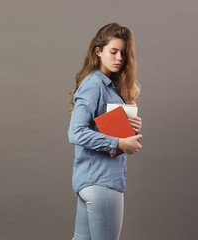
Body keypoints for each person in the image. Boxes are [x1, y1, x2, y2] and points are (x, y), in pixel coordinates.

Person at [68, 23, 143, 240]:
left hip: (89, 182)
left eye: (123, 53)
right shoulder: (94, 85)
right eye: (113, 51)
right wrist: (120, 143)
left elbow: (96, 126)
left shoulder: (109, 87)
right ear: (98, 51)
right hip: (102, 183)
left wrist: (128, 128)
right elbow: (76, 132)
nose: (119, 57)